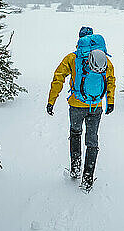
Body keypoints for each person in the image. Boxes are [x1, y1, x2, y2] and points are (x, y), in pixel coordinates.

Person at [46, 26, 116, 192]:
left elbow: (58, 78)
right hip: (96, 106)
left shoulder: (72, 58)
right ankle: (88, 179)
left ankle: (75, 168)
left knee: (75, 133)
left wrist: (51, 101)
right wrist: (110, 101)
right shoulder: (104, 59)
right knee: (92, 140)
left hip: (76, 105)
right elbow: (111, 80)